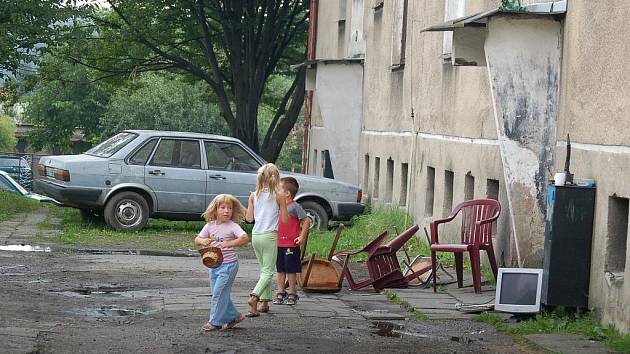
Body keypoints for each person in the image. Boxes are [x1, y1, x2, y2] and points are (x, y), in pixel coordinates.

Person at [195, 194, 249, 332]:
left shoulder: (232, 226)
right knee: (218, 293)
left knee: (218, 293)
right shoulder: (210, 225)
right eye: (223, 207)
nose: (226, 211)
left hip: (229, 265)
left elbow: (244, 238)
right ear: (215, 210)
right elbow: (197, 239)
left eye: (230, 208)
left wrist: (230, 243)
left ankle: (215, 322)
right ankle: (234, 316)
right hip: (213, 265)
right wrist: (203, 241)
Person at [245, 163, 288, 317]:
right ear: (277, 178)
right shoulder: (280, 196)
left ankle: (264, 302)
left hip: (256, 236)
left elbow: (249, 219)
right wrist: (283, 205)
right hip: (270, 236)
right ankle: (254, 297)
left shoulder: (253, 195)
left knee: (264, 270)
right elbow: (284, 220)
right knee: (269, 272)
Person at [273, 177, 310, 306]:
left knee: (290, 269)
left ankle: (292, 293)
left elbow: (306, 220)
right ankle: (280, 291)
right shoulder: (278, 206)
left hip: (291, 244)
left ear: (287, 193)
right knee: (280, 269)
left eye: (278, 189)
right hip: (279, 244)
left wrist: (302, 237)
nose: (276, 192)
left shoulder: (294, 206)